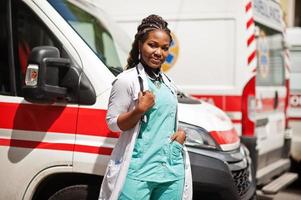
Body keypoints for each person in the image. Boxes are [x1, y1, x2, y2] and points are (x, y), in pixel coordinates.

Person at [98, 14, 192, 200]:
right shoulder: (126, 80)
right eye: (153, 45)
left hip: (171, 170)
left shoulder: (167, 82)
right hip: (138, 171)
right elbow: (113, 124)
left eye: (165, 48)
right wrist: (139, 110)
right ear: (140, 44)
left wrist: (181, 135)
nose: (159, 52)